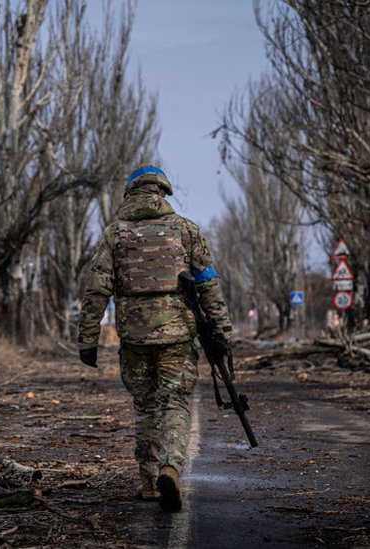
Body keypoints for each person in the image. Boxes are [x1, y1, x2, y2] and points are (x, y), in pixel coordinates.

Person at [77, 165, 232, 512]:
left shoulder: (114, 235)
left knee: (145, 407)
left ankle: (149, 483)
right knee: (175, 403)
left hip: (134, 338)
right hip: (177, 336)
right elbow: (208, 284)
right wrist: (222, 331)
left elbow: (96, 289)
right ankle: (171, 468)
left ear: (130, 193)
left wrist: (87, 339)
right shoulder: (186, 231)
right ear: (162, 192)